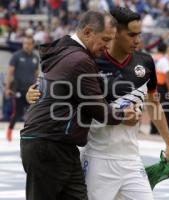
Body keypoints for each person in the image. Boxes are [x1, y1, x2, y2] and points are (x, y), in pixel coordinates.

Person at [26, 7, 169, 200]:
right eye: (131, 35)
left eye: (139, 34)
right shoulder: (90, 61)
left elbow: (153, 103)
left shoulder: (146, 62)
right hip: (97, 157)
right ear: (115, 33)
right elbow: (54, 84)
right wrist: (33, 92)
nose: (138, 40)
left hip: (131, 159)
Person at [20, 11, 139, 200]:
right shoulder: (80, 59)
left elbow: (50, 85)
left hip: (58, 143)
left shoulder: (64, 50)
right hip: (49, 143)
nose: (107, 45)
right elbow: (97, 108)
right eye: (105, 39)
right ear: (88, 32)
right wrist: (123, 115)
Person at [4, 36, 39, 141]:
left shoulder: (35, 58)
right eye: (25, 43)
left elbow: (37, 74)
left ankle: (30, 133)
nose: (26, 45)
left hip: (31, 90)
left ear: (33, 45)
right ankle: (9, 131)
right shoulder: (16, 56)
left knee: (33, 113)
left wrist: (39, 86)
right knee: (18, 113)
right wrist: (7, 88)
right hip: (18, 90)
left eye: (29, 43)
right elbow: (10, 72)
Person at [150, 42, 169, 135]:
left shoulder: (153, 58)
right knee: (165, 108)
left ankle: (154, 129)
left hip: (153, 86)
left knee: (154, 107)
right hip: (161, 86)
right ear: (165, 50)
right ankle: (167, 129)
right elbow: (167, 74)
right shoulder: (164, 60)